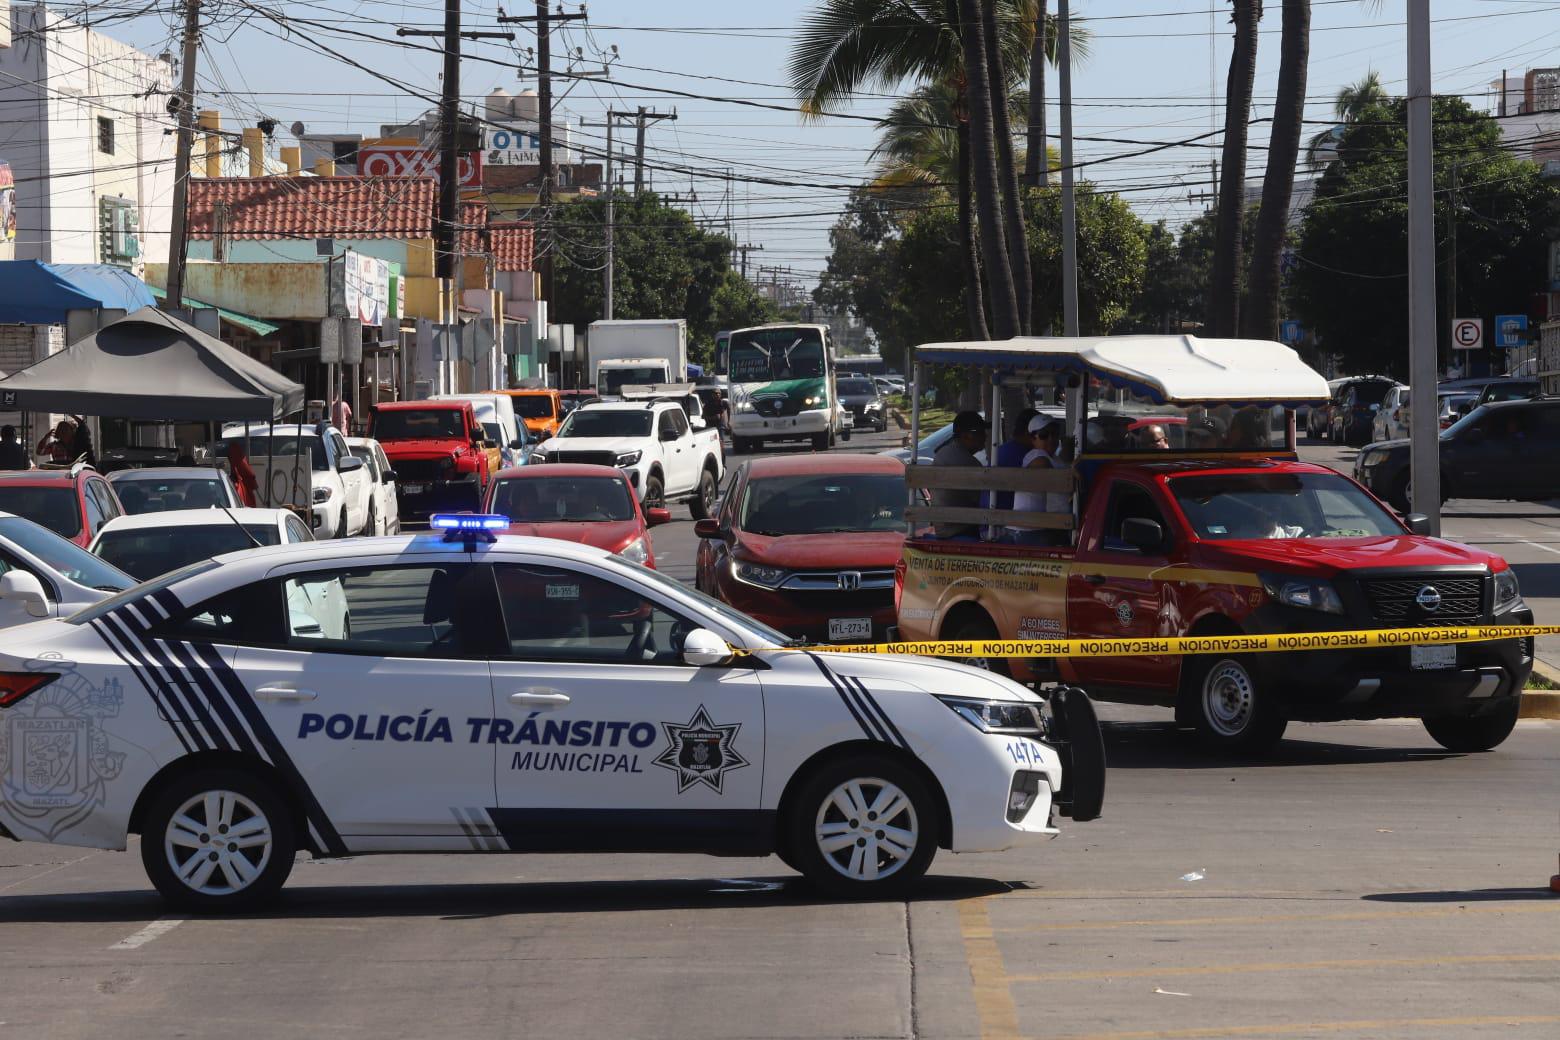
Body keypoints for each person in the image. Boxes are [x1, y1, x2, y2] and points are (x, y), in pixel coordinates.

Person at [1009, 416, 1071, 546]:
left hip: (1045, 526)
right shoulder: (1037, 456)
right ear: (1033, 438)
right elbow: (1052, 477)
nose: (1051, 439)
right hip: (1029, 530)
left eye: (1054, 434)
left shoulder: (1054, 458)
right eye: (1043, 435)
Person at [929, 410, 989, 539]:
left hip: (943, 528)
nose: (985, 436)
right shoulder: (969, 463)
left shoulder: (943, 453)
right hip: (960, 529)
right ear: (967, 435)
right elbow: (982, 500)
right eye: (981, 432)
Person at [990, 408, 1039, 511]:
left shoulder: (1001, 451)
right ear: (1028, 433)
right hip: (1006, 518)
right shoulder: (1030, 456)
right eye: (1043, 434)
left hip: (991, 517)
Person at [227, 440, 259, 507]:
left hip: (242, 488)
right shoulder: (241, 459)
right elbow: (250, 474)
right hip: (244, 490)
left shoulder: (237, 459)